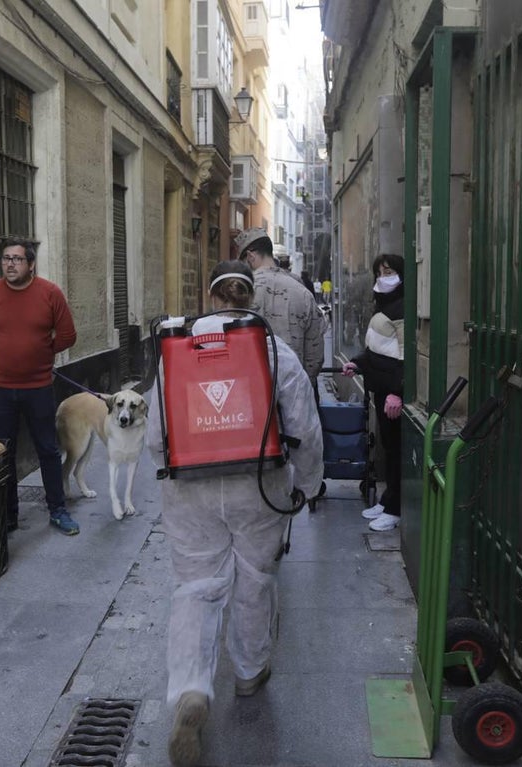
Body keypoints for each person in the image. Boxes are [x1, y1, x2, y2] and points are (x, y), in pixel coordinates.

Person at [147, 260, 324, 767]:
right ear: (252, 298)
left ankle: (190, 688)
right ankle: (248, 672)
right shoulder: (273, 349)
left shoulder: (178, 349)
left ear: (211, 297)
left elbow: (157, 434)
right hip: (259, 486)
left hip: (191, 490)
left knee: (195, 586)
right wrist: (308, 485)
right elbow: (305, 428)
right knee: (254, 578)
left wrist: (174, 472)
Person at [0, 238, 79, 535]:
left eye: (17, 259)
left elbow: (67, 336)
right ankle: (8, 516)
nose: (10, 264)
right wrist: (5, 354)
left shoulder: (50, 293)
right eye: (6, 258)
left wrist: (40, 354)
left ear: (31, 264)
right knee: (2, 452)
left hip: (38, 387)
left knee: (48, 449)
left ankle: (57, 510)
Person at [342, 253, 405, 532]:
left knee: (396, 451)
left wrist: (398, 392)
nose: (382, 278)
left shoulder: (400, 308)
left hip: (391, 395)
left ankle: (395, 509)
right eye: (379, 273)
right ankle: (388, 499)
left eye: (388, 272)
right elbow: (377, 350)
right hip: (381, 391)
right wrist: (358, 363)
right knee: (388, 448)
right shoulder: (384, 305)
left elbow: (405, 354)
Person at [235, 227, 325, 381]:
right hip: (296, 387)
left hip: (253, 388)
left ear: (250, 256)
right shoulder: (302, 291)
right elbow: (315, 357)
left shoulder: (241, 292)